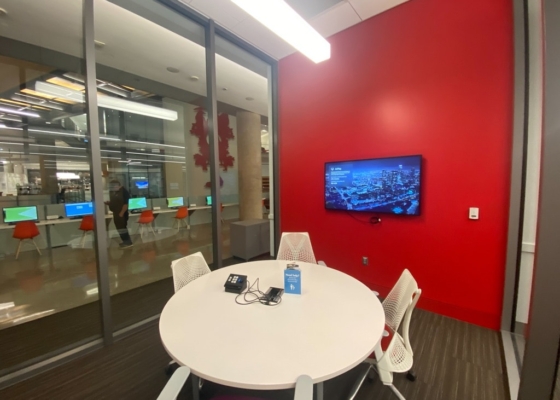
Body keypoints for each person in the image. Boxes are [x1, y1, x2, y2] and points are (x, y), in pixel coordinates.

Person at [105, 180, 133, 248]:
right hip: (116, 213)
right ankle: (125, 241)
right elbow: (116, 202)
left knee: (122, 228)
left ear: (117, 185)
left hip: (121, 213)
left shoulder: (124, 192)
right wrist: (109, 203)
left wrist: (121, 213)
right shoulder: (116, 192)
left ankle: (128, 242)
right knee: (119, 228)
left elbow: (126, 204)